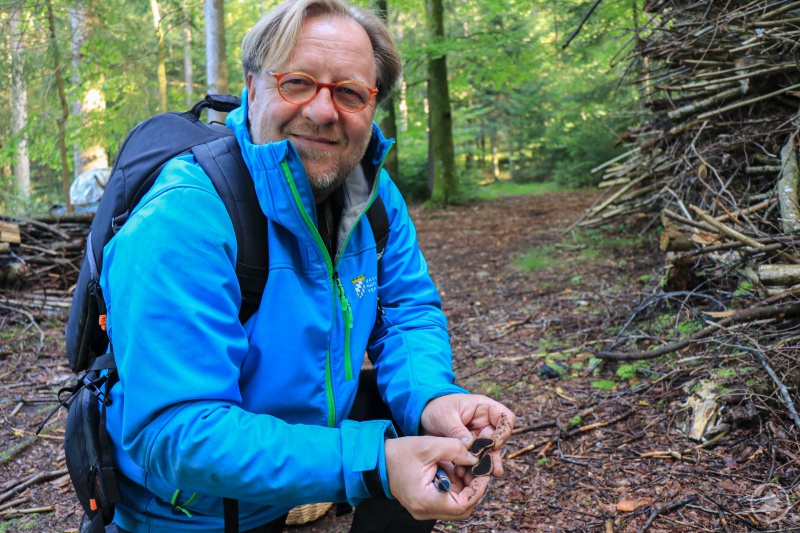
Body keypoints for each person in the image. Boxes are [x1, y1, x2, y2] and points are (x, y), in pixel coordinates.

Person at [99, 0, 516, 531]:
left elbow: (405, 312)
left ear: (372, 105)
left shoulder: (373, 195)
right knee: (383, 453)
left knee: (412, 431)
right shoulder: (183, 219)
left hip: (306, 448)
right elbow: (175, 431)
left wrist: (432, 398)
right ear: (253, 90)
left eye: (349, 92)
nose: (322, 112)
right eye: (297, 83)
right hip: (193, 512)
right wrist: (373, 461)